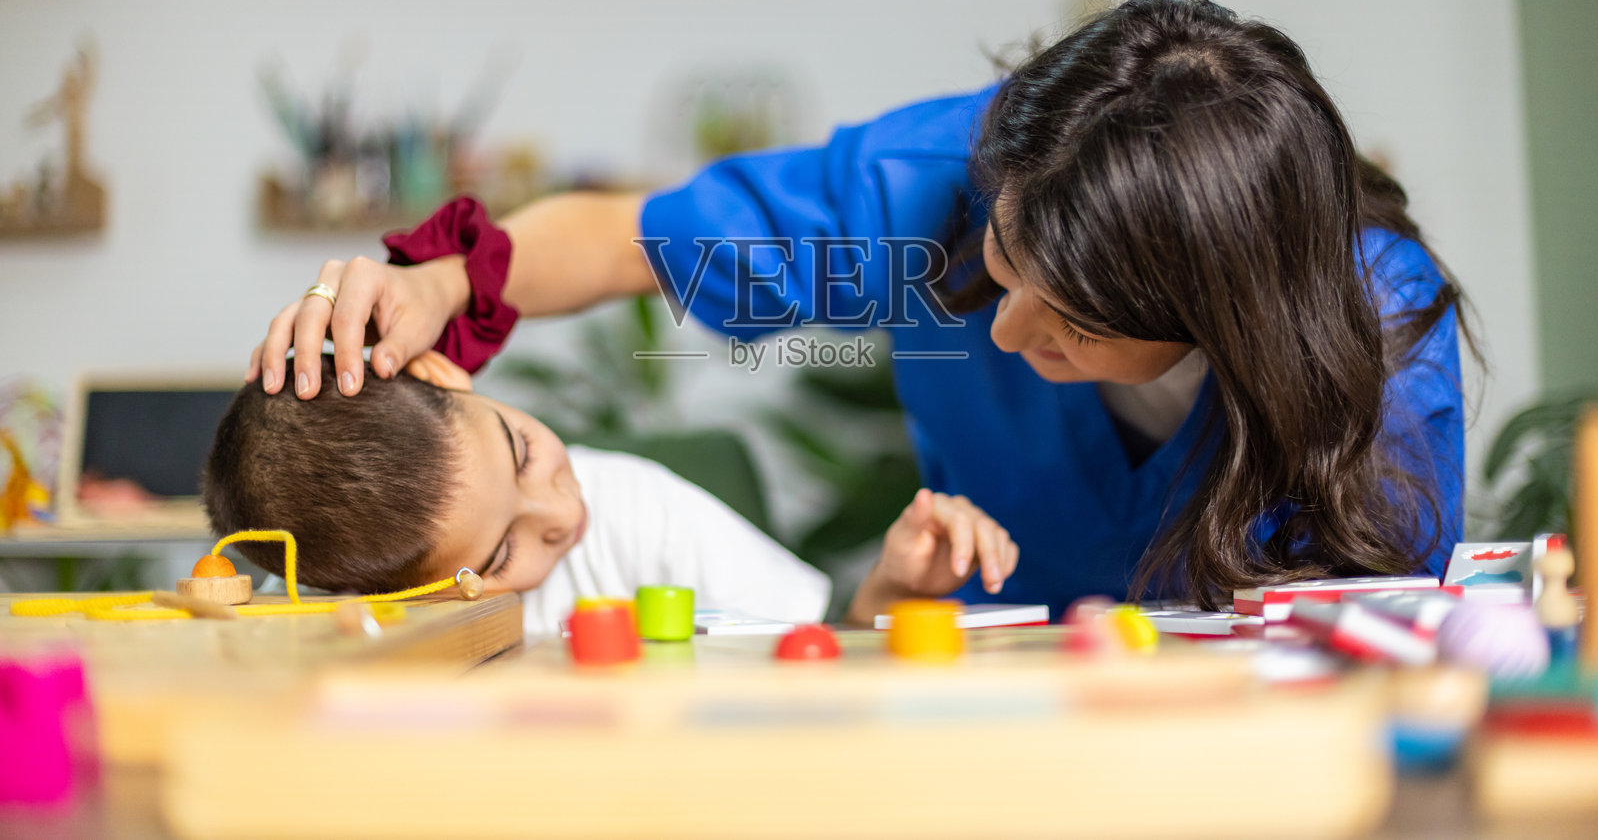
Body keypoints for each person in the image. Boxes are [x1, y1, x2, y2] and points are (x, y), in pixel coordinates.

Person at [248, 0, 1470, 614]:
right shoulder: (921, 196)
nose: (997, 327)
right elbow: (633, 242)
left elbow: (1365, 668)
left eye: (1073, 323)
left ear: (1225, 318)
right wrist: (445, 278)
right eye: (1000, 258)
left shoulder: (1375, 347)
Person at [205, 352, 1019, 632]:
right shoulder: (371, 637)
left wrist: (890, 590)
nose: (564, 513)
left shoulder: (636, 506)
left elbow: (818, 654)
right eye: (499, 553)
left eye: (523, 450)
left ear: (442, 373)